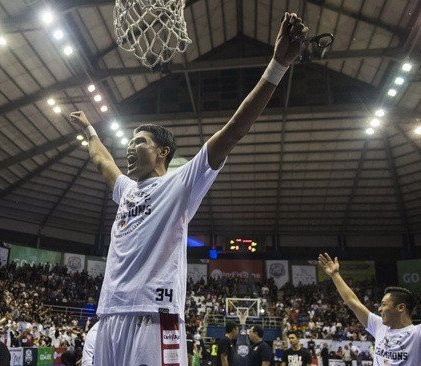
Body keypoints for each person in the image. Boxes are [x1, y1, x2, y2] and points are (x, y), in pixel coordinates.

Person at [70, 11, 308, 366]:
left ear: (162, 152)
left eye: (140, 141)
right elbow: (103, 162)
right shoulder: (126, 191)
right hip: (110, 314)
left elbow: (233, 131)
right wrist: (90, 132)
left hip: (155, 315)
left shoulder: (180, 183)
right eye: (130, 141)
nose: (130, 147)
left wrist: (276, 66)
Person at [318, 233, 421, 366]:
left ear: (401, 307)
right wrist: (335, 275)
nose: (379, 308)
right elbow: (352, 302)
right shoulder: (378, 326)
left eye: (383, 304)